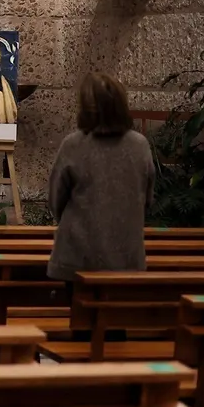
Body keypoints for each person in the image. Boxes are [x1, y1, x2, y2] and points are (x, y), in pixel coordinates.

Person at [48, 72, 154, 341]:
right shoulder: (140, 146)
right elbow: (148, 198)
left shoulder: (74, 144)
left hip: (79, 256)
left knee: (82, 330)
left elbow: (55, 199)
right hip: (124, 257)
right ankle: (115, 379)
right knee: (115, 330)